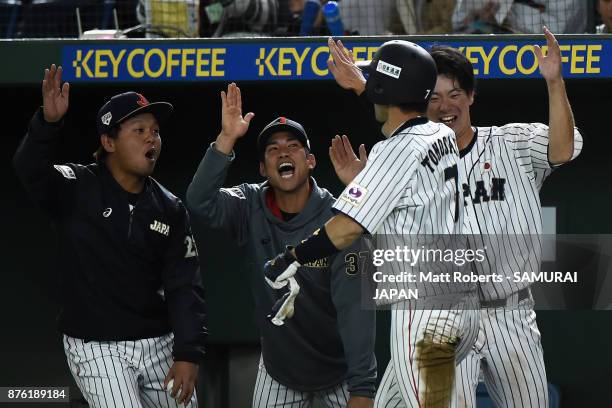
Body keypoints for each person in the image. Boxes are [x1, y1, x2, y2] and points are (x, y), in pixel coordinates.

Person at [326, 25, 583, 407]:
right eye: (435, 98)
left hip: (508, 314)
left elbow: (562, 149)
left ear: (472, 97)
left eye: (455, 95)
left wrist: (554, 82)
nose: (445, 106)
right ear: (421, 101)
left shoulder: (510, 142)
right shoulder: (411, 155)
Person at [264, 40, 481, 407]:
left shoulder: (394, 151)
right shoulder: (440, 133)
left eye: (378, 79)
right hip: (461, 306)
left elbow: (346, 228)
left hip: (423, 314)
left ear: (387, 88)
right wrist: (364, 85)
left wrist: (292, 256)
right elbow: (405, 118)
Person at [13, 64, 207, 407]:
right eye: (139, 129)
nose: (152, 138)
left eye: (156, 131)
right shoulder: (77, 185)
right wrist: (47, 123)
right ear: (108, 141)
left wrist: (188, 353)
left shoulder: (169, 207)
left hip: (158, 342)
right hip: (96, 345)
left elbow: (184, 286)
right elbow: (30, 169)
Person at [185, 83, 377, 408]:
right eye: (273, 149)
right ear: (262, 168)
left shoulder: (338, 220)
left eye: (293, 146)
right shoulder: (248, 204)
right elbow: (199, 202)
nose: (283, 152)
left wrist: (363, 389)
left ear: (311, 161)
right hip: (279, 372)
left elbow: (355, 310)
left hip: (341, 371)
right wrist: (227, 139)